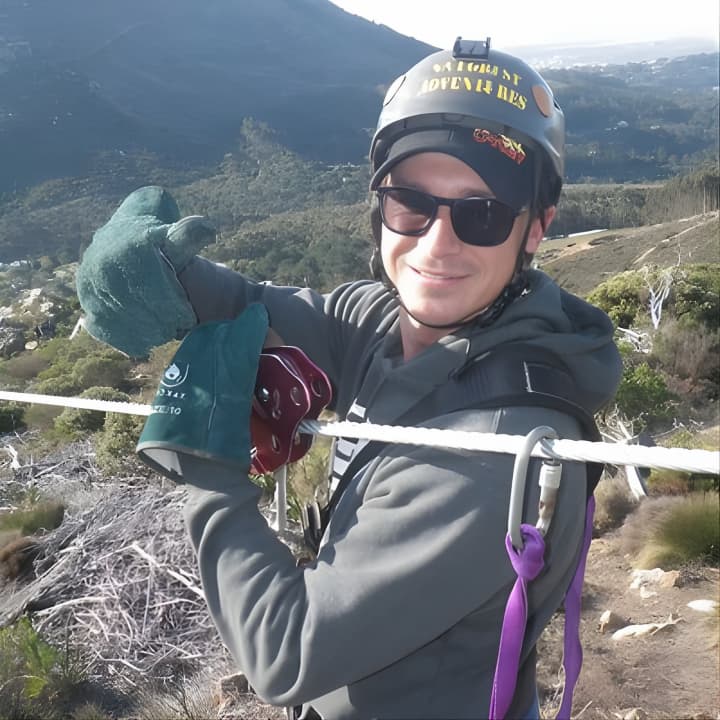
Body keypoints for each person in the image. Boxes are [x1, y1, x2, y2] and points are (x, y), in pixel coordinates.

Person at [76, 38, 622, 720]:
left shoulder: (489, 452)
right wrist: (162, 276)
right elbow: (253, 305)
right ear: (378, 208)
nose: (436, 244)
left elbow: (286, 654)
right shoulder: (386, 322)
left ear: (536, 229)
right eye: (410, 203)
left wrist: (208, 470)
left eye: (481, 214)